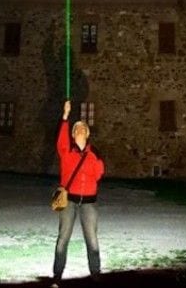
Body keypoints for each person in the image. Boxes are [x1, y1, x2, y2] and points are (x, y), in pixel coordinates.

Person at [51, 98, 105, 286]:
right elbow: (60, 140)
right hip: (70, 202)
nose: (79, 129)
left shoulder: (94, 153)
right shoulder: (66, 152)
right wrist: (65, 116)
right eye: (76, 129)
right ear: (73, 135)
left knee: (92, 239)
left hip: (89, 203)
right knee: (63, 238)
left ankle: (96, 273)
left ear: (87, 133)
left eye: (83, 128)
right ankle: (57, 274)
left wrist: (88, 164)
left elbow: (98, 173)